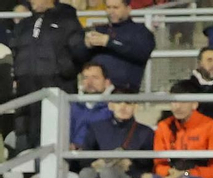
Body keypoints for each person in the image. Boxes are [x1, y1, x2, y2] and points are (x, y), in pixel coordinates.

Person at [8, 0, 88, 151]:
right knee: (26, 140)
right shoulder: (23, 25)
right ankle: (29, 172)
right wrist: (17, 76)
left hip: (56, 89)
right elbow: (15, 53)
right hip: (26, 92)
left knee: (53, 138)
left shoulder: (67, 21)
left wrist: (64, 70)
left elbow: (79, 53)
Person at [78, 98, 154, 178]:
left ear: (136, 106)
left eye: (128, 102)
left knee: (109, 172)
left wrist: (130, 164)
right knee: (85, 173)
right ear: (111, 105)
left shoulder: (145, 132)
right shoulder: (97, 128)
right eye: (119, 103)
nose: (123, 107)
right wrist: (96, 162)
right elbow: (83, 159)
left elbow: (149, 165)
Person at [86, 0, 155, 95]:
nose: (111, 11)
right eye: (108, 7)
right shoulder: (99, 30)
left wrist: (109, 42)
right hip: (95, 91)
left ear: (128, 9)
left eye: (116, 7)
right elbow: (77, 55)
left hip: (124, 93)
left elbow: (142, 53)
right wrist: (85, 45)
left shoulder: (140, 32)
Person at [70, 64, 115, 158]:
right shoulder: (73, 106)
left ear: (107, 82)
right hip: (73, 156)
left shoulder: (114, 108)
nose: (89, 82)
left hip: (99, 157)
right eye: (86, 77)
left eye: (95, 77)